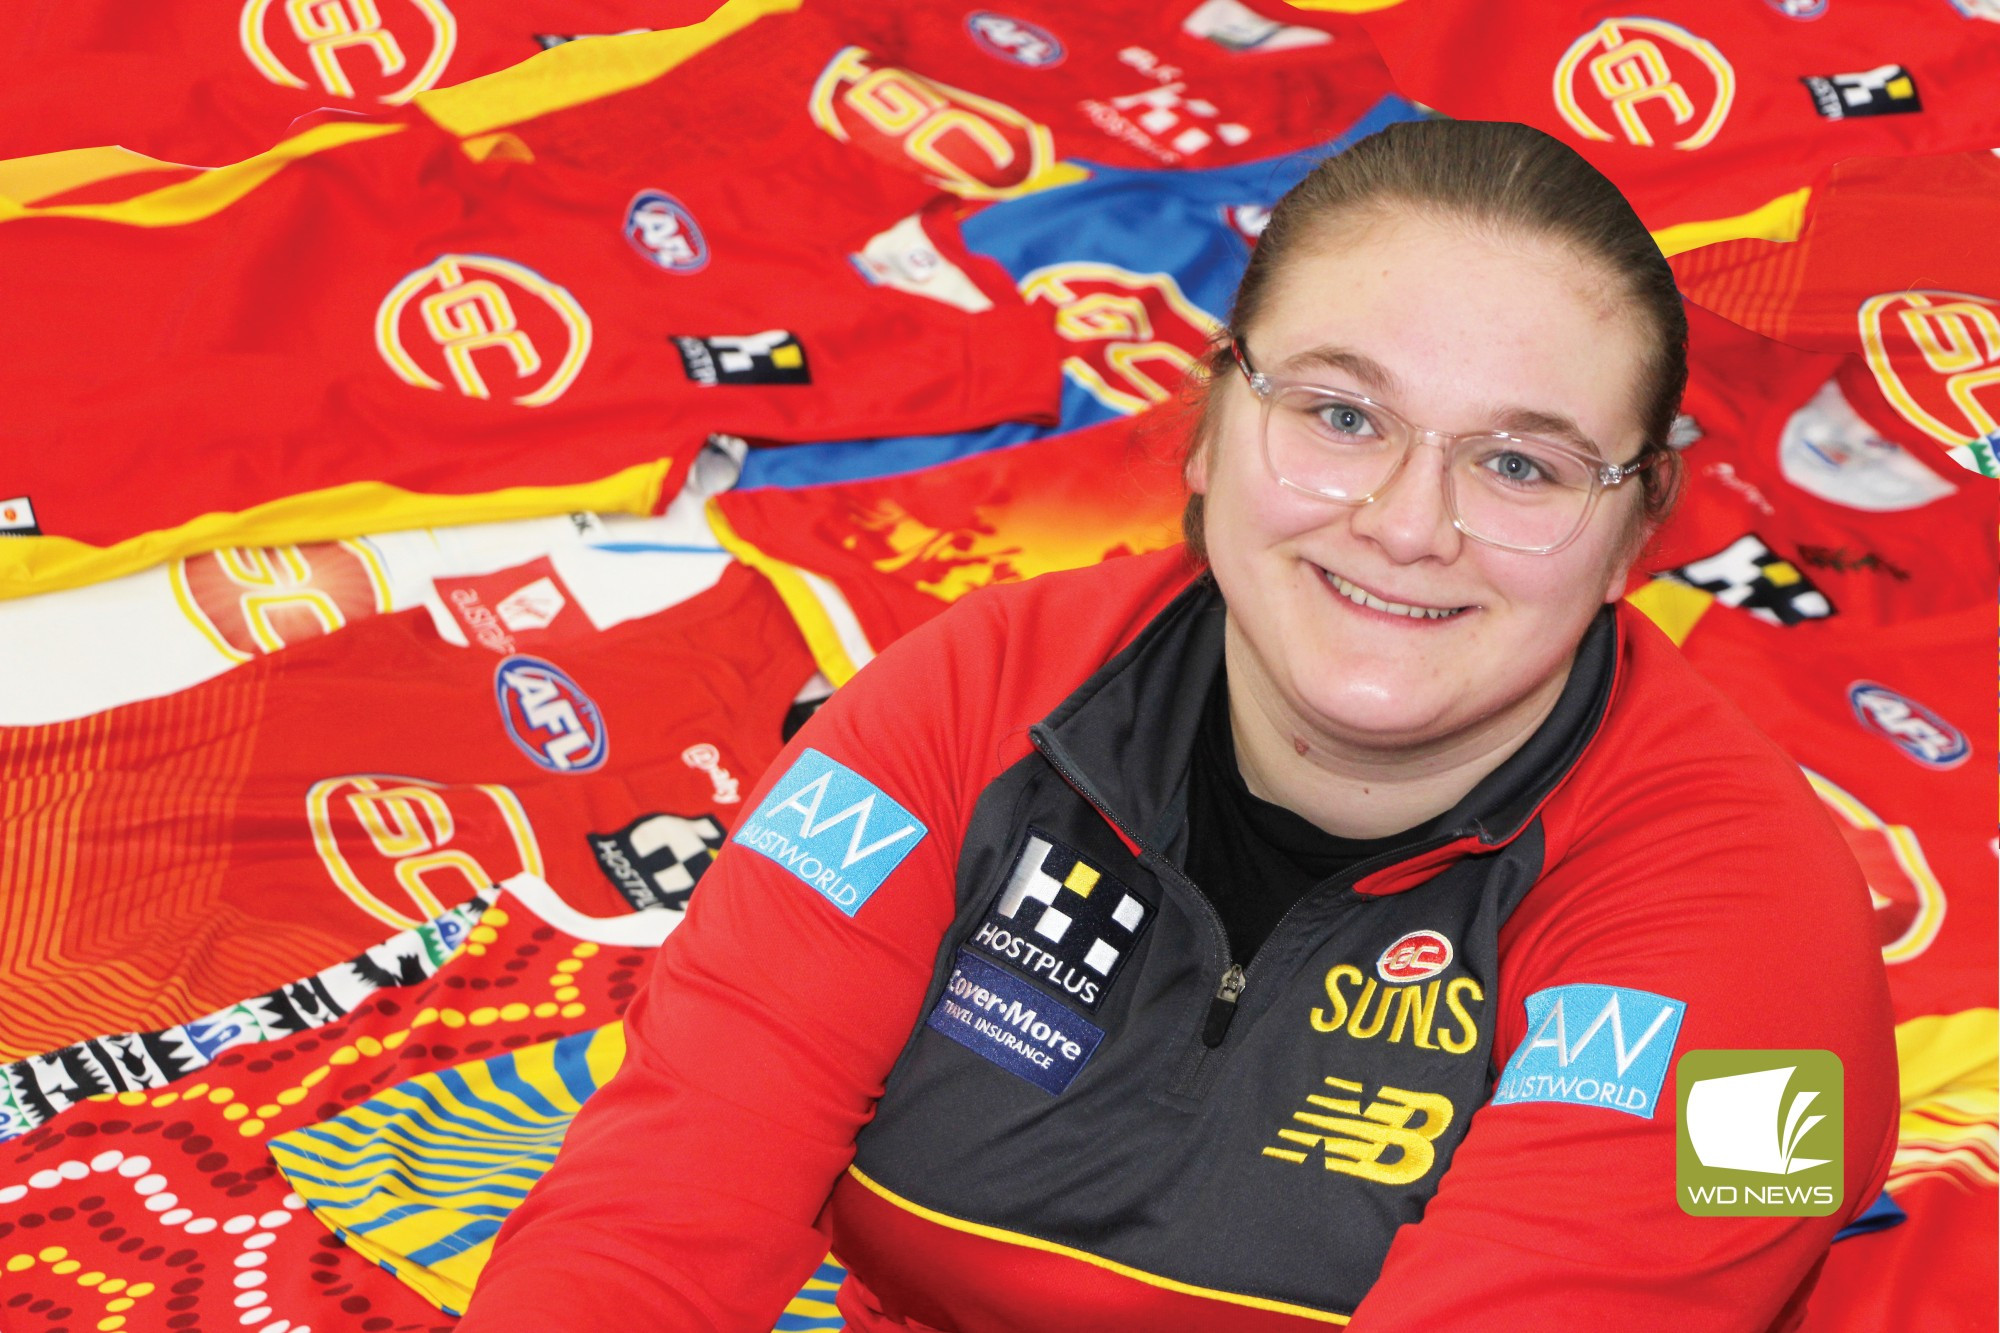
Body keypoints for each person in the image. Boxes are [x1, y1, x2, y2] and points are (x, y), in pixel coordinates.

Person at [457, 120, 1897, 1331]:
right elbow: (646, 1223)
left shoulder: (1766, 942)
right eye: (1340, 415)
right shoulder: (966, 704)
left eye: (1522, 462)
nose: (1406, 522)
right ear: (1206, 433)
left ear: (1639, 528)